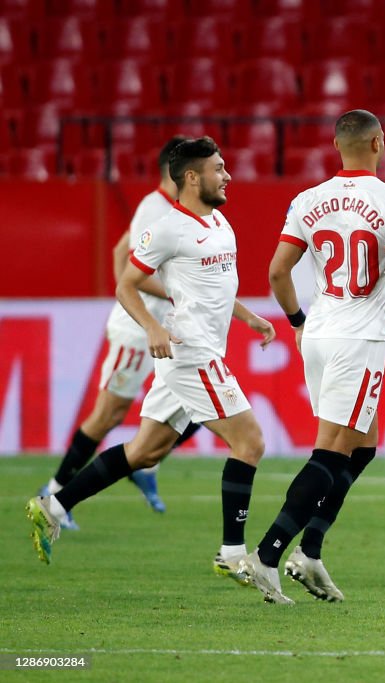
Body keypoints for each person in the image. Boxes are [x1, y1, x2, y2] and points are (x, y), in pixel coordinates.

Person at [27, 138, 276, 584]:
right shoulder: (165, 227)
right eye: (219, 168)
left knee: (145, 451)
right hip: (190, 354)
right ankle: (232, 553)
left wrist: (250, 317)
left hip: (200, 349)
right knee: (251, 442)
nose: (228, 175)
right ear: (193, 177)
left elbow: (213, 290)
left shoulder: (220, 221)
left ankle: (54, 505)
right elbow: (127, 284)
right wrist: (152, 327)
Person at [238, 109, 385, 604]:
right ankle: (269, 556)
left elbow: (276, 273)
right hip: (358, 340)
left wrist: (296, 322)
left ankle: (310, 551)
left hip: (319, 332)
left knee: (362, 446)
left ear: (338, 145)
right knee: (331, 450)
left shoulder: (307, 200)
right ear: (379, 142)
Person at [38, 136, 200, 529]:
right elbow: (133, 274)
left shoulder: (167, 210)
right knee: (107, 415)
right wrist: (150, 304)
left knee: (201, 404)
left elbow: (117, 251)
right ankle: (55, 491)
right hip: (138, 333)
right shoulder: (155, 209)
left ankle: (148, 464)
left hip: (160, 329)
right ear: (177, 172)